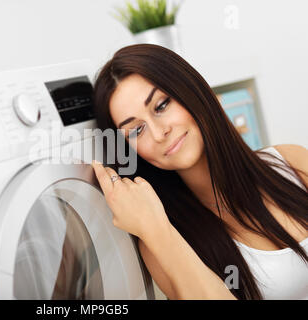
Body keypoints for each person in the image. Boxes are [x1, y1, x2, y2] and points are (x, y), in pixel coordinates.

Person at [90, 44, 308, 300]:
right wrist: (157, 231)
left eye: (161, 106)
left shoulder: (291, 162)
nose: (160, 134)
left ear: (190, 90)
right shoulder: (159, 243)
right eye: (136, 131)